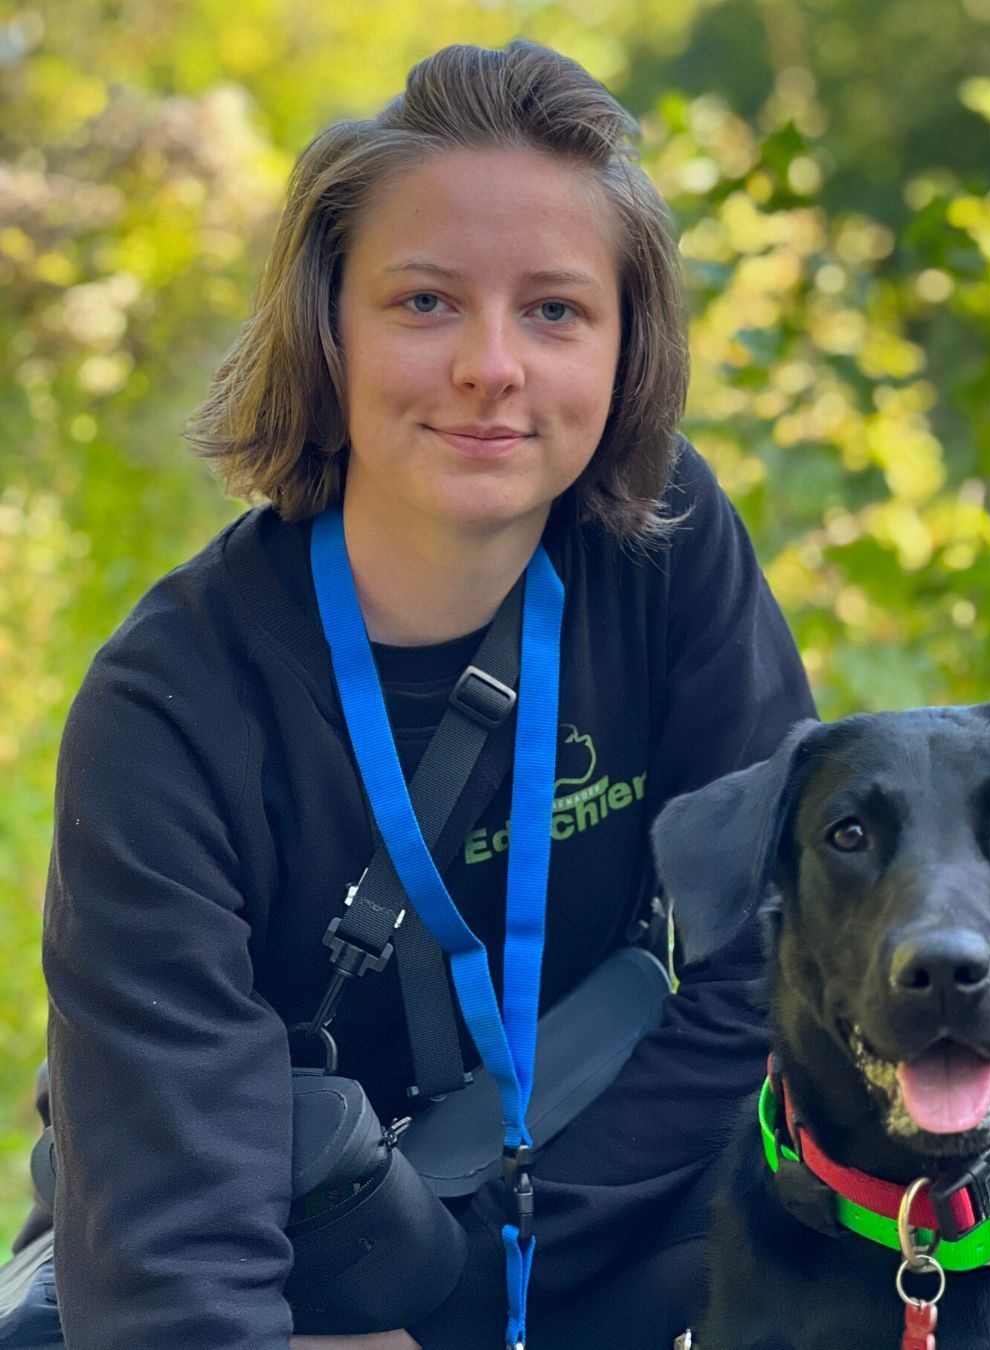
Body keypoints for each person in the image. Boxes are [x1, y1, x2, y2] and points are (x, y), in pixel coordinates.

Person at [33, 38, 816, 1350]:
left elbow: (780, 957)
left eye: (555, 310)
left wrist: (471, 1293)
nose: (490, 366)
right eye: (425, 303)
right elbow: (174, 1247)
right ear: (326, 330)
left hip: (578, 1213)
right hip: (281, 1259)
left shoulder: (664, 547)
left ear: (627, 351)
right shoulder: (167, 706)